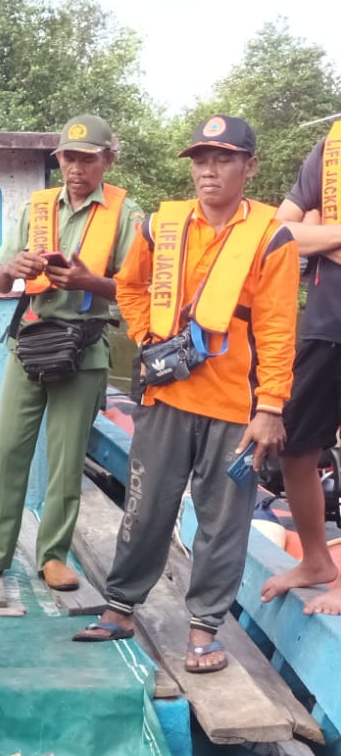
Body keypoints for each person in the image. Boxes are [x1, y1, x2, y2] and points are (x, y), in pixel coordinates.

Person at [75, 116, 298, 672]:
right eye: (200, 160)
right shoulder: (162, 226)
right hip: (166, 398)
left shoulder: (272, 237)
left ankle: (204, 628)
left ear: (250, 166)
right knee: (146, 506)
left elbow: (276, 329)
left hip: (235, 409)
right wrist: (147, 334)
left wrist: (270, 407)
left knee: (223, 523)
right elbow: (130, 285)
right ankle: (121, 606)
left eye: (223, 159)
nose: (208, 171)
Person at [0, 116, 142, 591]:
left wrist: (89, 281)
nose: (75, 168)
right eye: (68, 157)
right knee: (8, 450)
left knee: (66, 460)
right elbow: (2, 279)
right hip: (29, 342)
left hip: (84, 350)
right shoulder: (38, 206)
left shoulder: (126, 216)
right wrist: (15, 266)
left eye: (87, 158)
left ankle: (53, 555)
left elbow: (135, 291)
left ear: (107, 160)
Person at [259, 121, 341, 613]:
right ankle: (316, 559)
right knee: (295, 446)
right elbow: (280, 231)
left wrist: (318, 233)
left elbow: (302, 231)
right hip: (324, 322)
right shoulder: (329, 149)